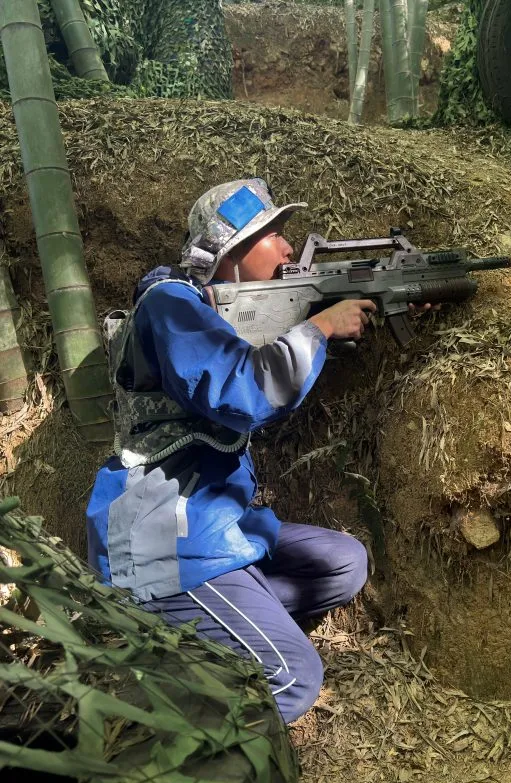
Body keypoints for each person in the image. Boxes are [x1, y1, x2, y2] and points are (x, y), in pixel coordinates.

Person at [86, 178, 396, 723]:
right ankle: (167, 735)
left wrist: (354, 317)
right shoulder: (169, 304)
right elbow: (242, 391)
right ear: (226, 252)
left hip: (211, 522)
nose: (287, 247)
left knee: (344, 564)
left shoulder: (209, 312)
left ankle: (209, 633)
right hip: (159, 540)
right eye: (270, 234)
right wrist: (319, 329)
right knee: (292, 678)